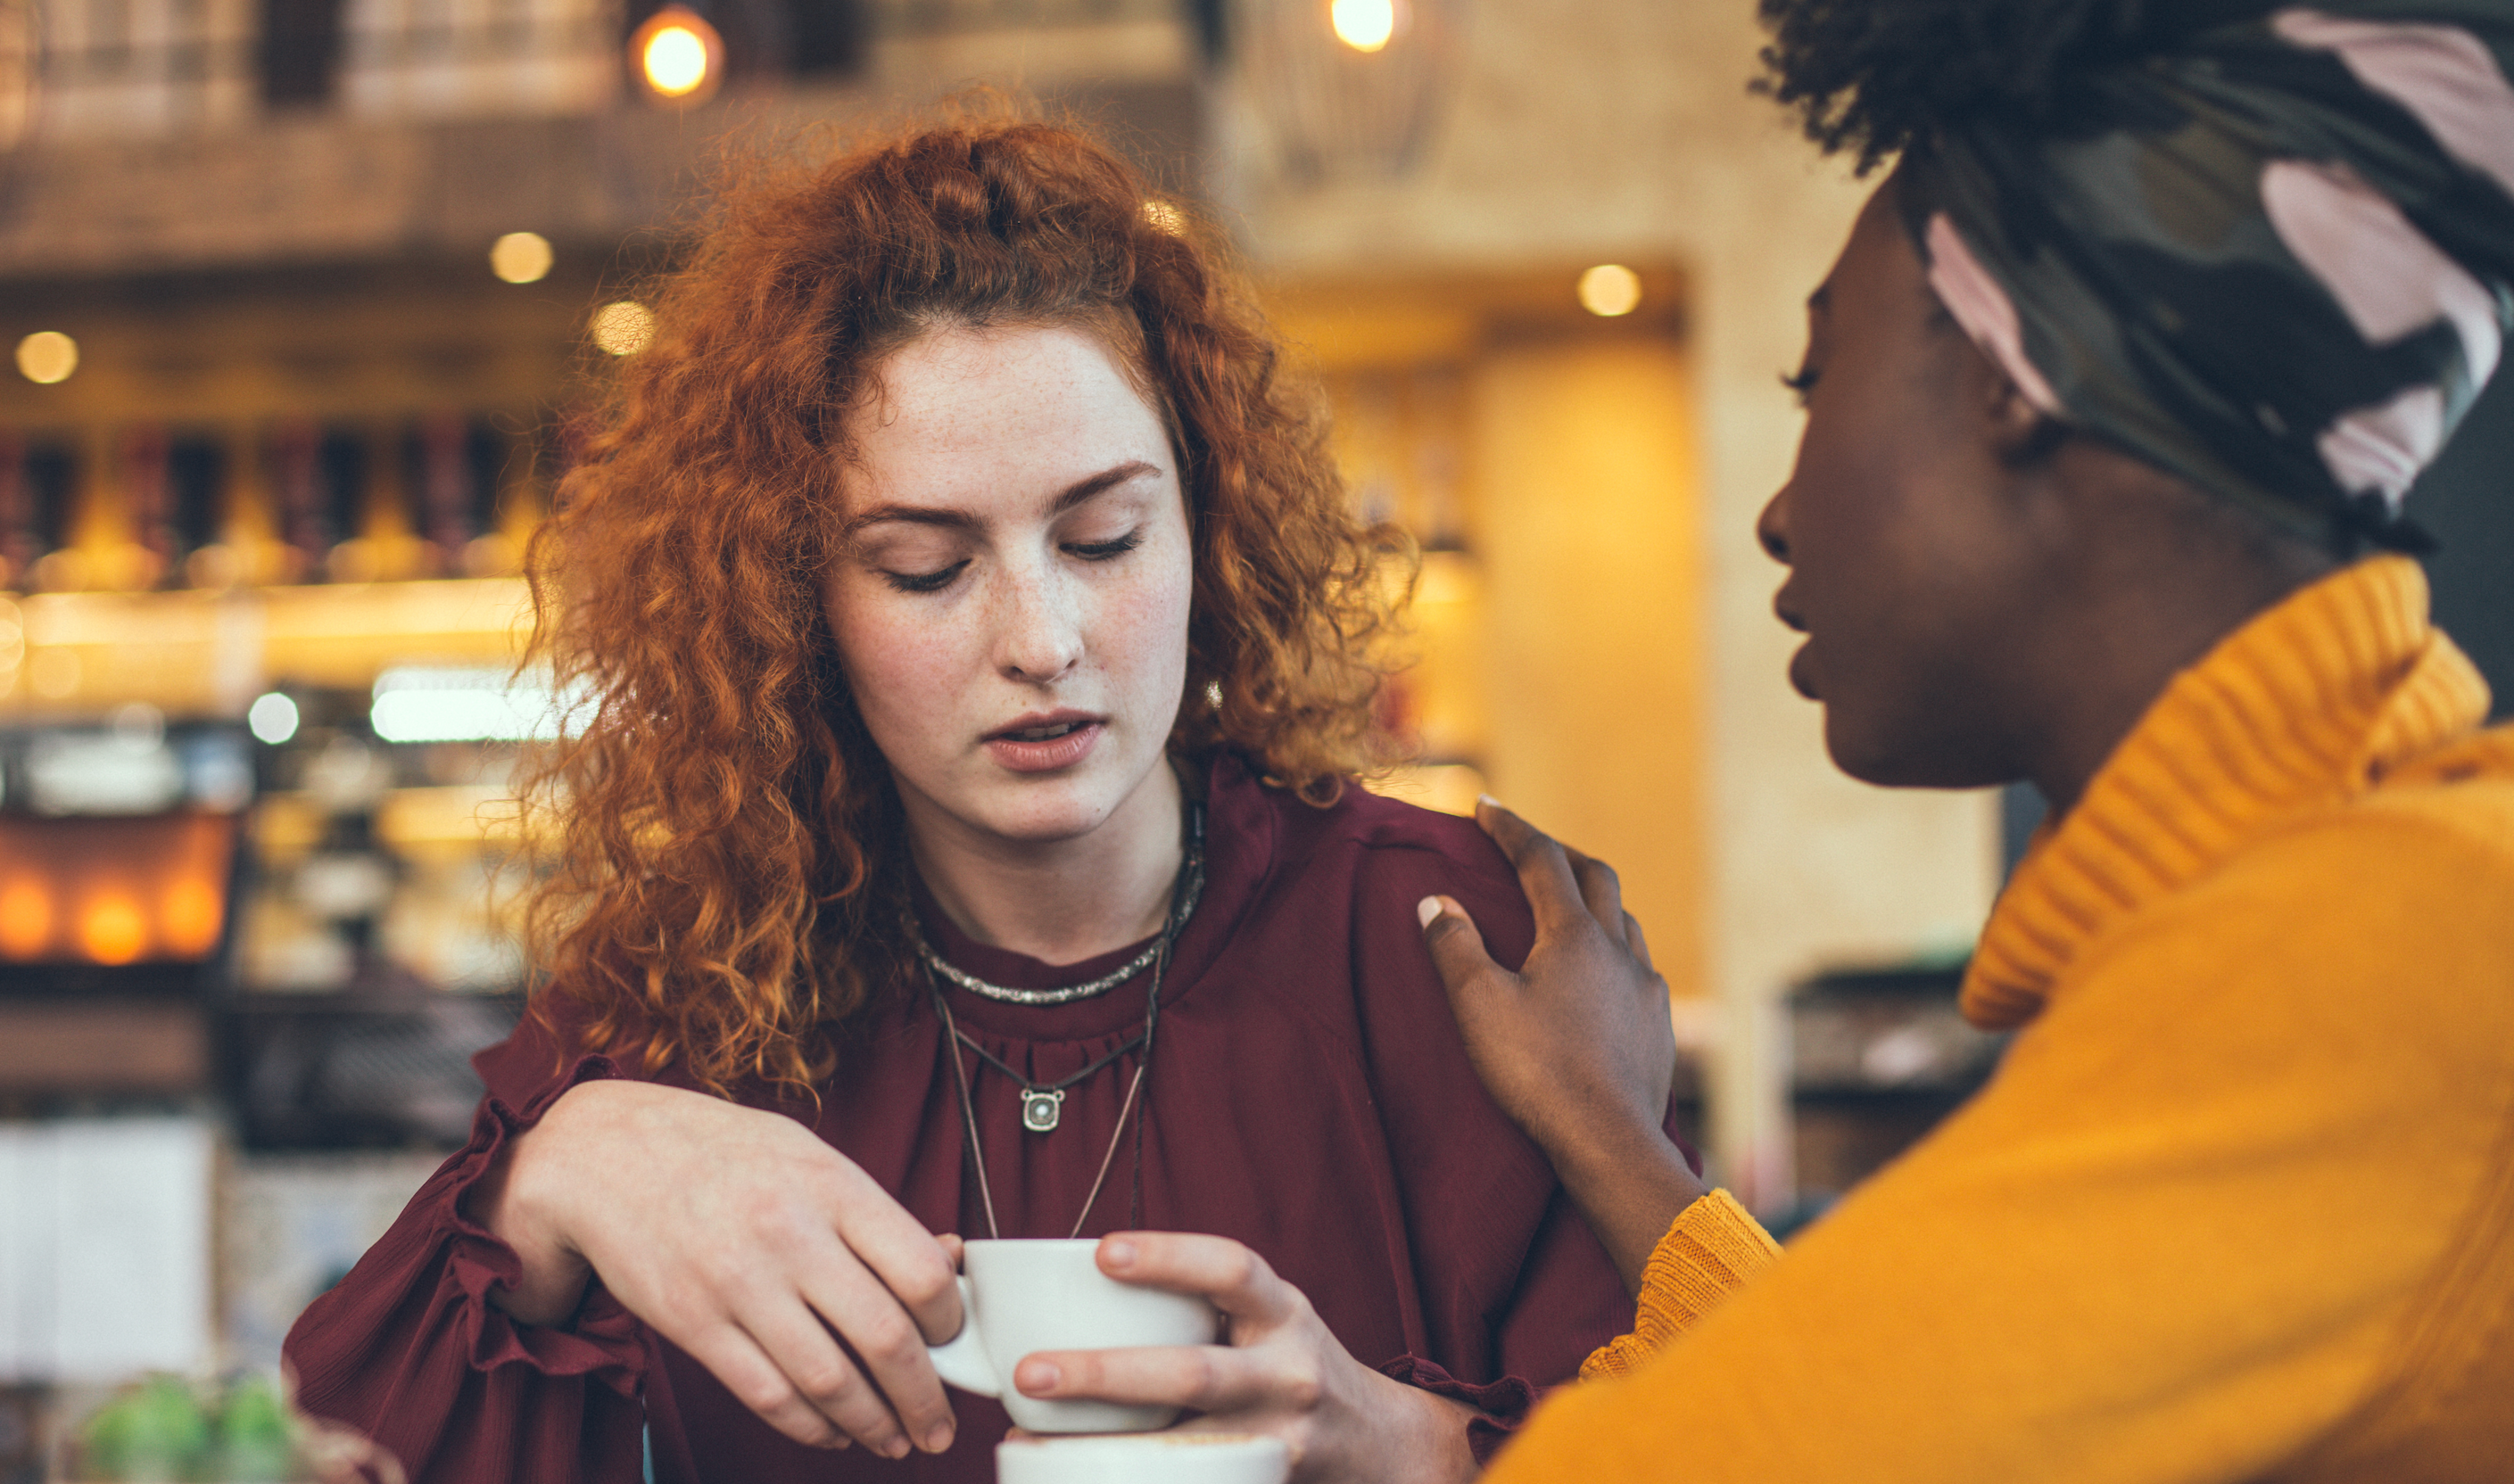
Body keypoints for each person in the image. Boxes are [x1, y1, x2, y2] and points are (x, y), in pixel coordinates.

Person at [1128, 0, 2508, 1477]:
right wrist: (1613, 1136)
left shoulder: (2382, 962)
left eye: (1819, 378)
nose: (1781, 509)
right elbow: (1910, 1408)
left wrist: (1406, 1440)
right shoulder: (2353, 896)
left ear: (2009, 379)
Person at [283, 119, 1661, 1483]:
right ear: (794, 607)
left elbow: (1738, 1428)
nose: (1044, 638)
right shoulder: (698, 998)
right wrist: (557, 1181)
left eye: (1104, 536)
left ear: (1208, 521)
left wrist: (1414, 1451)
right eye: (927, 569)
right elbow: (323, 1448)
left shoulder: (1445, 948)